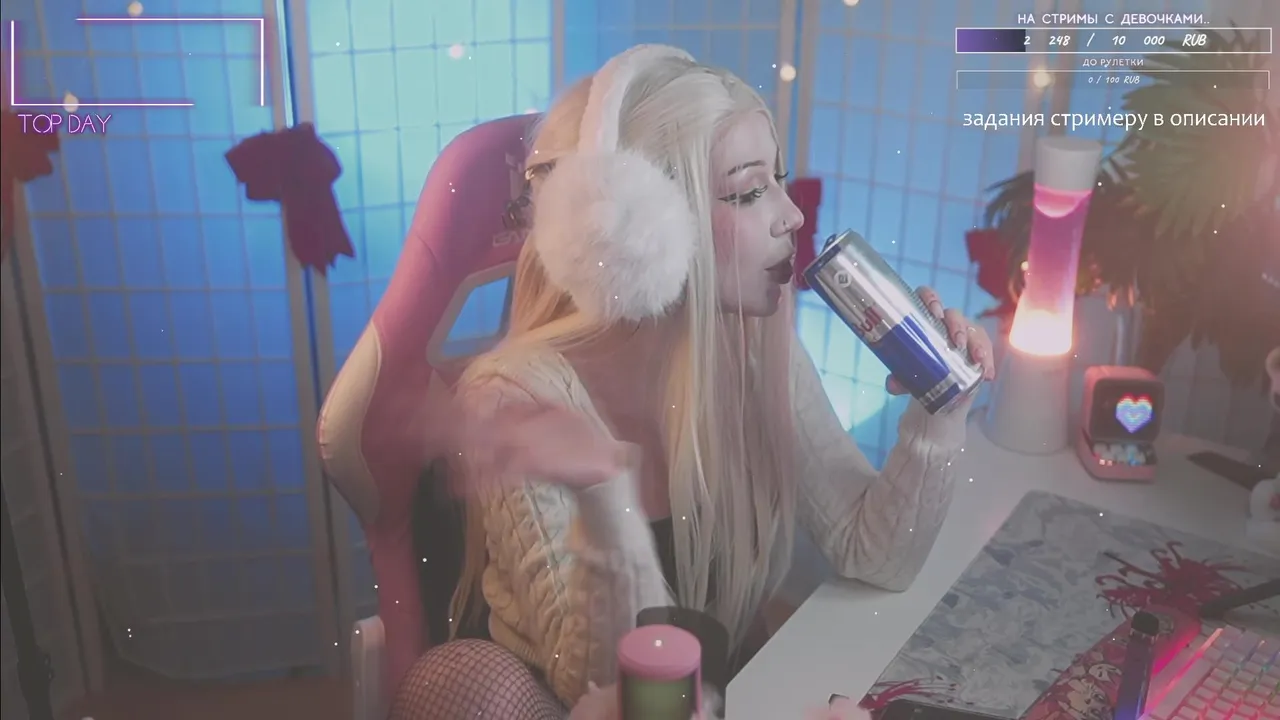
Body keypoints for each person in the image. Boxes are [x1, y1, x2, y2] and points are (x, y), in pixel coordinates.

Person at [444, 44, 997, 714]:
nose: (792, 215)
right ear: (639, 229)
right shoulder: (512, 399)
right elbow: (592, 684)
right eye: (748, 191)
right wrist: (602, 494)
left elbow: (875, 554)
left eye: (778, 180)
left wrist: (940, 411)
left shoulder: (756, 354)